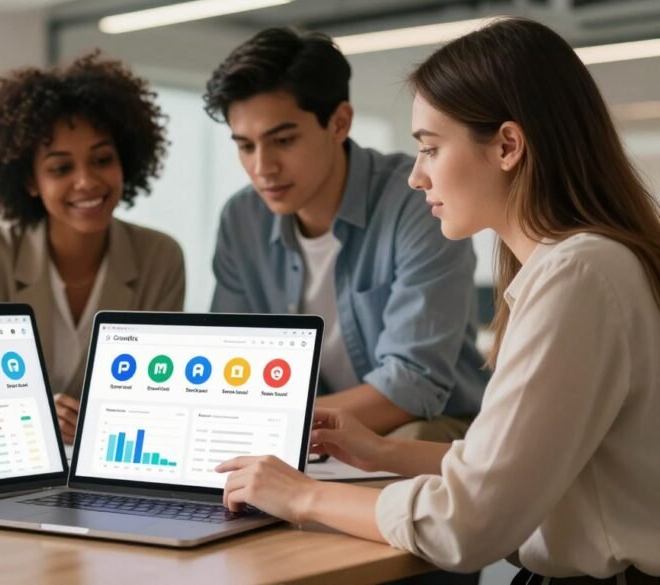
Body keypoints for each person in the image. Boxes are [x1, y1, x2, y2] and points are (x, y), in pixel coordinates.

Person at [217, 18, 660, 582]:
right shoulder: (584, 263)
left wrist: (302, 496)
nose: (417, 177)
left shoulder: (577, 274)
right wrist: (383, 453)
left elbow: (463, 524)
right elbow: (509, 468)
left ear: (506, 146)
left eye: (430, 148)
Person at [203, 27, 487, 441]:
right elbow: (228, 366)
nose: (263, 167)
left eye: (282, 140)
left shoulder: (418, 202)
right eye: (245, 146)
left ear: (339, 123)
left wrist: (273, 423)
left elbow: (411, 386)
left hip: (431, 426)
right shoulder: (242, 219)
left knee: (407, 439)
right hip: (304, 434)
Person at [0, 53, 186, 443]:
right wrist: (30, 413)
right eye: (61, 168)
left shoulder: (160, 257)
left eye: (102, 159)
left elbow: (157, 395)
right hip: (6, 460)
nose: (87, 181)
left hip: (114, 462)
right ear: (30, 180)